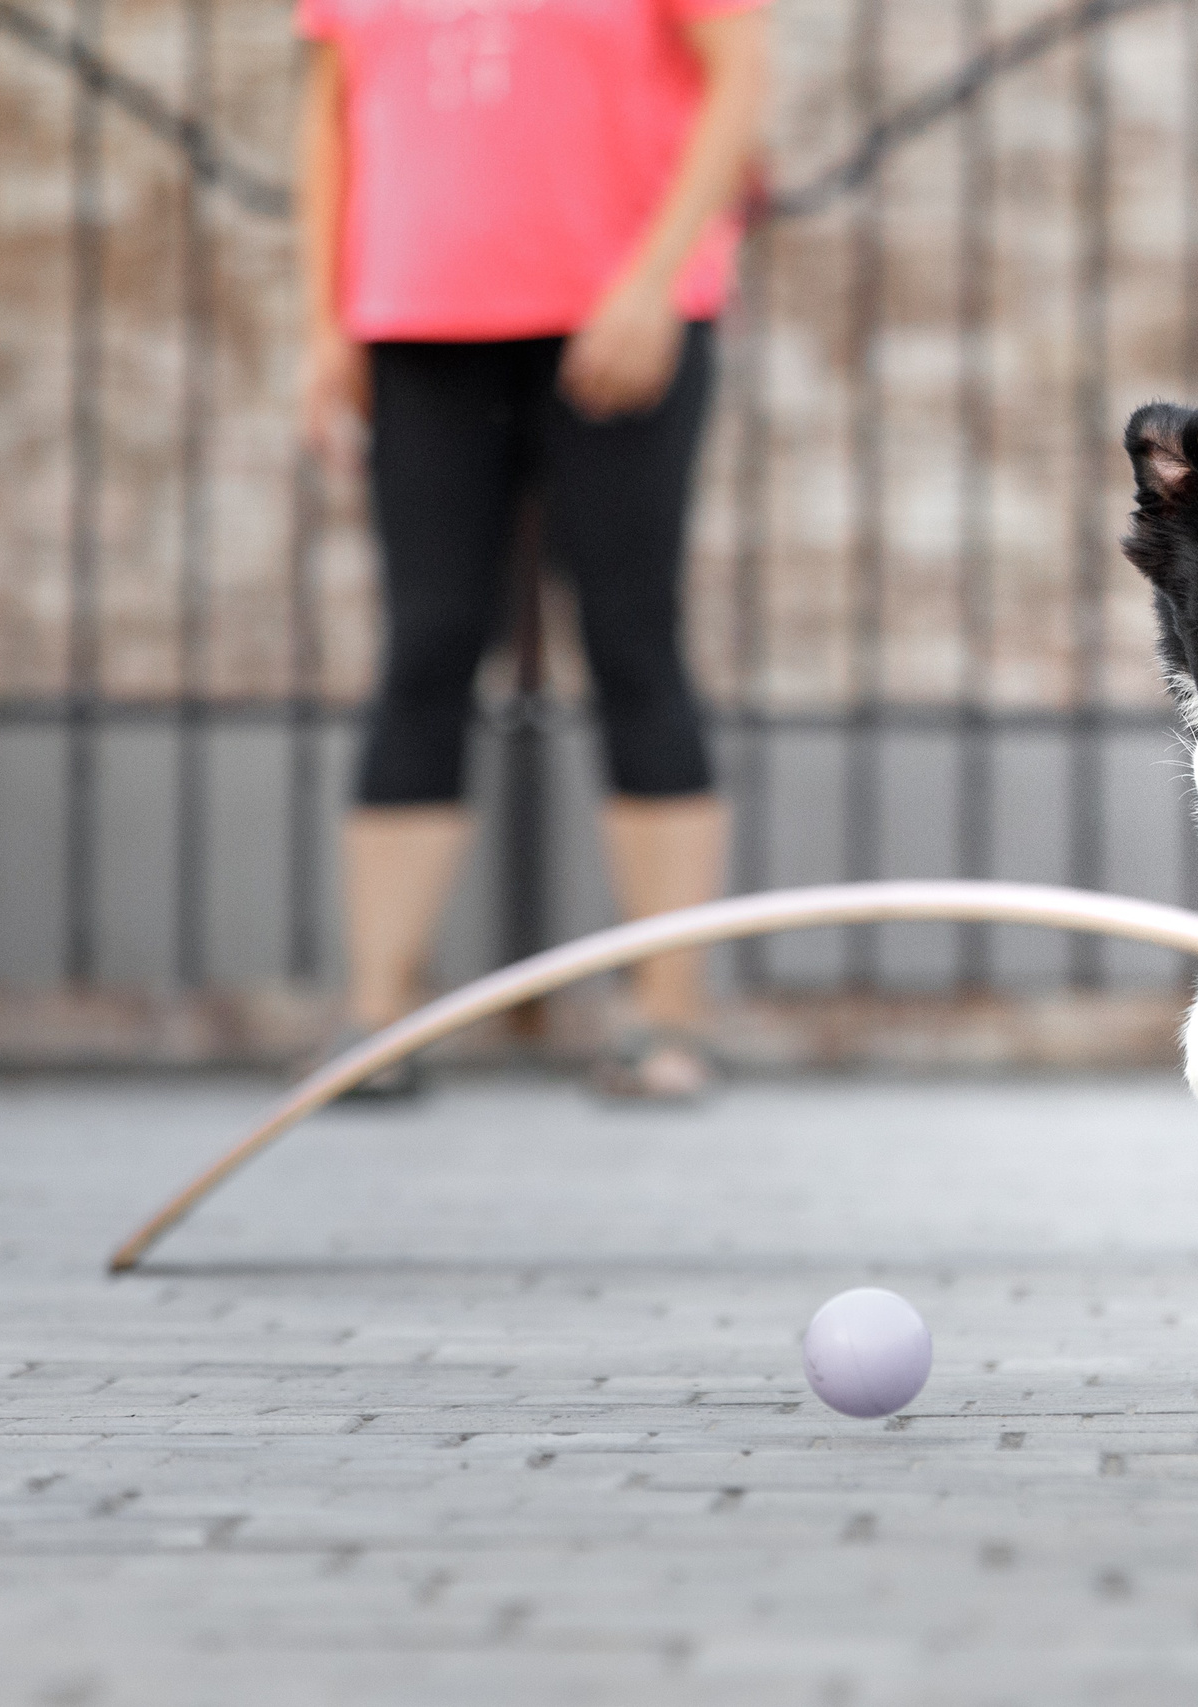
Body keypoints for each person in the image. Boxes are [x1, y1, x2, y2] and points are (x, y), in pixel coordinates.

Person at [295, 0, 770, 1099]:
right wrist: (321, 321)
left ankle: (665, 1021)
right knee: (425, 642)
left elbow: (737, 83)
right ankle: (376, 1018)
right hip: (416, 317)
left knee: (633, 641)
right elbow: (327, 115)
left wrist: (657, 280)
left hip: (623, 321)